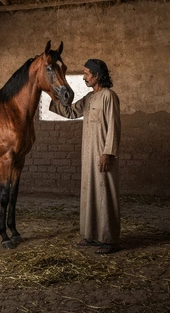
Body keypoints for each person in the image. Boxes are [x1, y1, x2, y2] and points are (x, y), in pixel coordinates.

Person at [49, 58, 121, 254]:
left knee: (104, 194)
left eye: (87, 73)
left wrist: (108, 153)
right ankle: (90, 236)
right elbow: (71, 112)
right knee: (90, 194)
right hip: (88, 154)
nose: (84, 77)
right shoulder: (89, 98)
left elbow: (114, 126)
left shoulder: (109, 96)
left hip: (103, 154)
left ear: (97, 76)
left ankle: (108, 240)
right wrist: (53, 98)